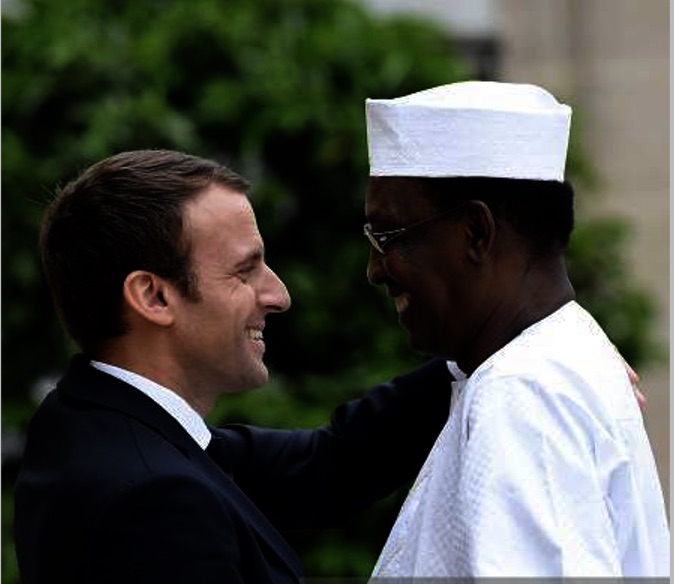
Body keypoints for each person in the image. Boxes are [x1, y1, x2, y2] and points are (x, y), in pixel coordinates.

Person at [13, 149, 456, 583]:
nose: (278, 296)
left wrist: (480, 344)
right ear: (153, 297)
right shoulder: (158, 500)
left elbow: (329, 466)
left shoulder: (89, 417)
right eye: (244, 272)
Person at [363, 81, 670, 578]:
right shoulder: (551, 361)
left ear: (475, 234)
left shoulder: (522, 393)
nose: (376, 269)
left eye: (388, 236)